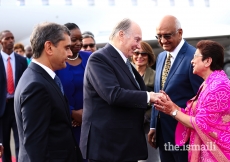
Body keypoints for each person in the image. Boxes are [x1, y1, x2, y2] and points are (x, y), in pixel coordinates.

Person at [80, 18, 163, 162]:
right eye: (136, 40)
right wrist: (149, 97)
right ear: (121, 35)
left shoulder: (124, 62)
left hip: (123, 146)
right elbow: (113, 94)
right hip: (108, 148)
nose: (138, 46)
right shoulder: (99, 59)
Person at [14, 22, 83, 162]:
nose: (70, 54)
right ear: (49, 47)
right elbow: (35, 145)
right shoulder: (36, 86)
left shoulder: (41, 78)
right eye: (67, 47)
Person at [155, 40, 230, 162]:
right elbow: (197, 115)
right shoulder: (209, 83)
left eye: (195, 56)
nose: (192, 61)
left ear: (207, 61)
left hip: (217, 153)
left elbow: (201, 123)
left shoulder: (218, 86)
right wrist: (172, 106)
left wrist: (173, 111)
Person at [148, 15, 203, 162]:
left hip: (185, 136)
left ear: (180, 32)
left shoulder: (194, 57)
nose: (162, 41)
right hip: (162, 134)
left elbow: (200, 99)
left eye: (167, 36)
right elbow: (158, 94)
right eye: (159, 36)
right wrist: (154, 125)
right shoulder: (160, 57)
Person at [56, 23, 90, 162]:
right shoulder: (58, 62)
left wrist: (87, 113)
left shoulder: (90, 58)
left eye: (80, 39)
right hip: (66, 123)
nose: (78, 43)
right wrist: (72, 113)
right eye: (74, 39)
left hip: (90, 122)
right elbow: (54, 92)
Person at [0, 30, 27, 162]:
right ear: (1, 41)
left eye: (12, 38)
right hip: (2, 108)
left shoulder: (21, 61)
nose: (11, 41)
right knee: (4, 143)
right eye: (7, 38)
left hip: (18, 107)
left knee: (20, 141)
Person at [131, 41, 160, 162]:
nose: (140, 57)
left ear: (149, 56)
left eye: (144, 54)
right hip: (129, 124)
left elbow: (158, 100)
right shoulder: (125, 73)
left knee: (150, 158)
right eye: (136, 53)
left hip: (148, 124)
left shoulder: (155, 76)